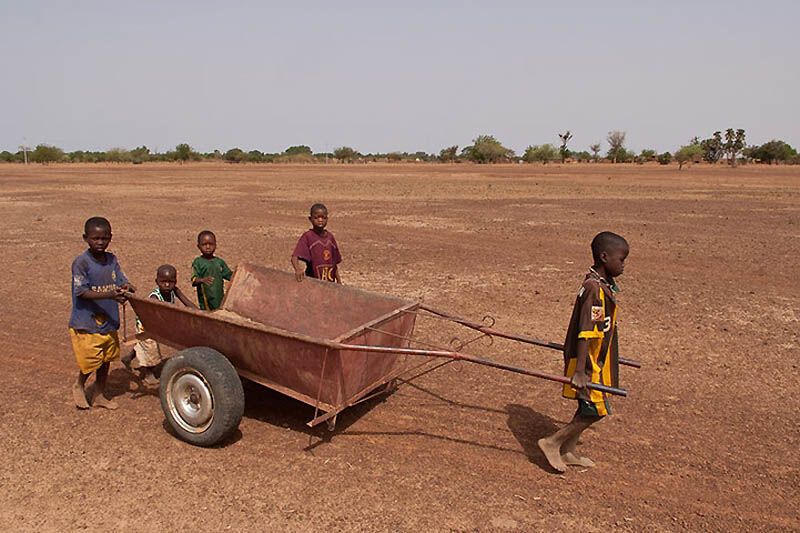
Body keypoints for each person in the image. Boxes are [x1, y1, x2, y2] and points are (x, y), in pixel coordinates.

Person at [537, 231, 629, 473]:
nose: (624, 265)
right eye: (621, 259)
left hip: (598, 358)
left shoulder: (602, 285)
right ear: (604, 256)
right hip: (588, 363)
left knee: (587, 406)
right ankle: (552, 443)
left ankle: (568, 450)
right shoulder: (594, 289)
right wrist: (579, 371)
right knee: (596, 410)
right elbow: (586, 330)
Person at [69, 216, 136, 410]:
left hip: (109, 320)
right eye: (95, 238)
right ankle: (80, 385)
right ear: (85, 238)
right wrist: (110, 294)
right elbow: (81, 291)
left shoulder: (112, 260)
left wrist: (126, 287)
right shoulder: (81, 263)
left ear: (110, 238)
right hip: (88, 322)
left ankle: (99, 392)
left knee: (106, 359)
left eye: (104, 238)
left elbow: (120, 279)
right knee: (90, 360)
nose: (100, 242)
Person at [122, 264, 195, 385]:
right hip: (147, 323)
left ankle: (128, 357)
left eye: (171, 282)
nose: (167, 285)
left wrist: (200, 313)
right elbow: (155, 316)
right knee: (150, 347)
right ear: (157, 281)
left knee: (143, 345)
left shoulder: (174, 290)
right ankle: (149, 373)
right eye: (163, 281)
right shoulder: (155, 297)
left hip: (159, 322)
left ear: (175, 282)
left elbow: (187, 302)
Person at [291, 203, 342, 283]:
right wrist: (298, 269)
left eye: (323, 217)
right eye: (316, 217)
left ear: (327, 219)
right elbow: (294, 257)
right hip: (313, 283)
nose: (320, 220)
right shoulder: (308, 236)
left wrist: (339, 282)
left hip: (329, 284)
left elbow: (334, 263)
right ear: (310, 219)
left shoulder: (330, 238)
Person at [191, 230, 233, 310]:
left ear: (215, 245)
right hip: (206, 298)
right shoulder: (198, 262)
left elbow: (229, 275)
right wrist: (202, 280)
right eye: (204, 244)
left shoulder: (219, 262)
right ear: (198, 246)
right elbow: (193, 279)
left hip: (219, 295)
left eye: (211, 244)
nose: (208, 247)